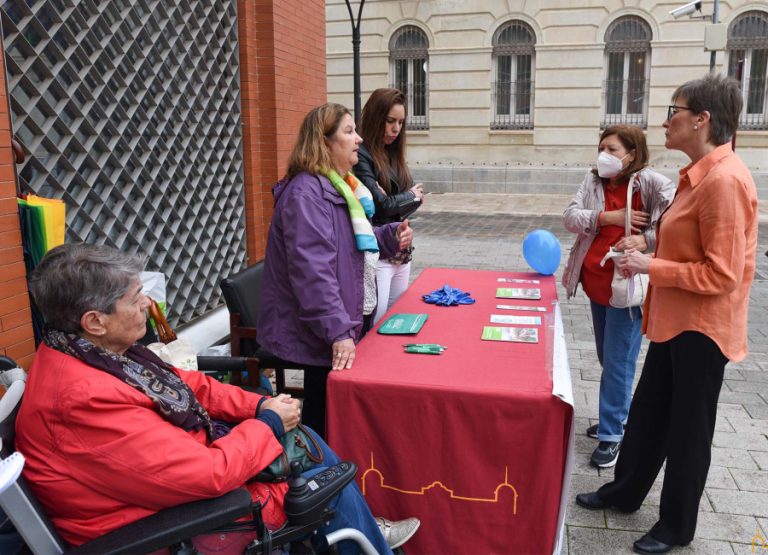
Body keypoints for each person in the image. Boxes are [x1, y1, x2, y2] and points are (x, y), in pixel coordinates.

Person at [15, 243, 420, 554]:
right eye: (135, 298)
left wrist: (258, 407)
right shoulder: (82, 398)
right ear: (95, 321)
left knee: (305, 443)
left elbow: (190, 385)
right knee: (320, 480)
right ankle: (365, 535)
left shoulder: (91, 352)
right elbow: (208, 474)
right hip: (167, 528)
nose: (148, 305)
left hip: (174, 490)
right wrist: (269, 424)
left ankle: (365, 530)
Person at [576, 74, 758, 554]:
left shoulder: (724, 180)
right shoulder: (698, 174)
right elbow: (687, 242)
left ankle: (677, 526)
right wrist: (648, 245)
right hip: (678, 319)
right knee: (650, 412)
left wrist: (649, 265)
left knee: (688, 432)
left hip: (704, 328)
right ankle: (625, 491)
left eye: (674, 111)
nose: (665, 121)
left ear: (702, 120)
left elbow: (722, 274)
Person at [258, 103, 412, 439]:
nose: (359, 139)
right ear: (324, 141)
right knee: (325, 413)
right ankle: (320, 463)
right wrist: (339, 333)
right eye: (349, 131)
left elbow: (351, 242)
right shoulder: (306, 194)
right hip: (317, 330)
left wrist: (389, 236)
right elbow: (313, 273)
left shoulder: (341, 186)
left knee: (333, 408)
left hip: (333, 322)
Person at [562, 125, 675, 469]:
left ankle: (612, 434)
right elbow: (570, 217)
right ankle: (618, 418)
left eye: (612, 149)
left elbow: (676, 225)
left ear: (632, 154)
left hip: (627, 291)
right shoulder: (593, 180)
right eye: (601, 148)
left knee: (617, 363)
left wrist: (645, 240)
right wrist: (606, 217)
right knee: (607, 357)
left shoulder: (652, 184)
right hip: (596, 288)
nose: (604, 155)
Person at [355, 88, 424, 323]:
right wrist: (406, 198)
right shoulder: (362, 155)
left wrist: (403, 199)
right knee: (377, 324)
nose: (396, 129)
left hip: (402, 251)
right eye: (390, 121)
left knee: (396, 322)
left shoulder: (393, 154)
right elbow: (380, 207)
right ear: (376, 118)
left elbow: (413, 198)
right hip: (379, 254)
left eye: (401, 122)